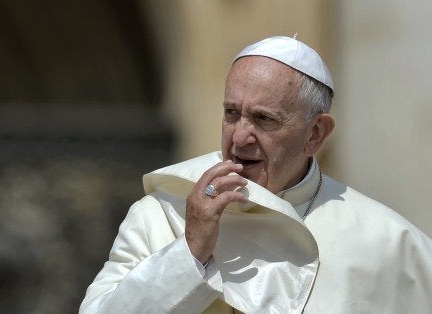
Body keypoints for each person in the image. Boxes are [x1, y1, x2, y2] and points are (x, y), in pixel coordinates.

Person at [80, 36, 432, 313]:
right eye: (232, 114)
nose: (239, 136)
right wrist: (188, 252)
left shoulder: (391, 244)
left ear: (315, 134)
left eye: (264, 119)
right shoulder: (162, 212)